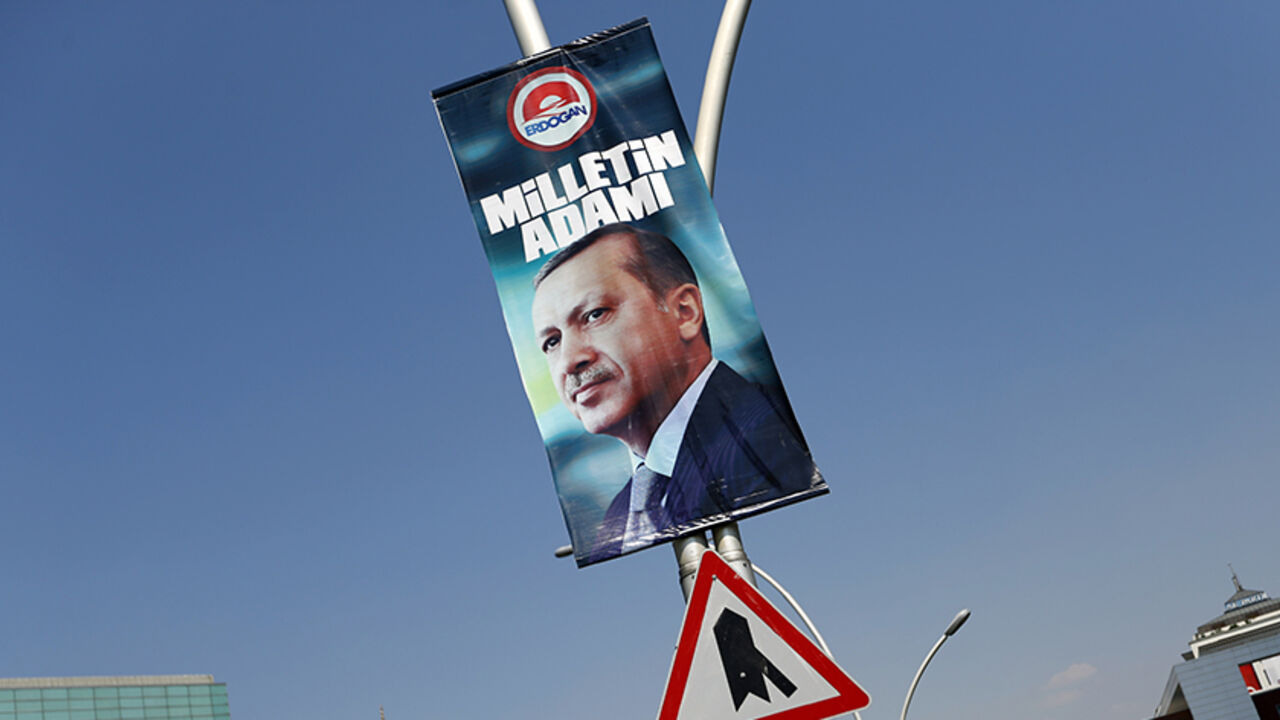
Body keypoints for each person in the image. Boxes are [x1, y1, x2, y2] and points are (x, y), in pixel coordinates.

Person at [531, 222, 826, 563]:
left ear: (685, 312)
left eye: (595, 315)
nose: (570, 360)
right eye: (552, 342)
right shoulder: (619, 515)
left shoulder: (767, 439)